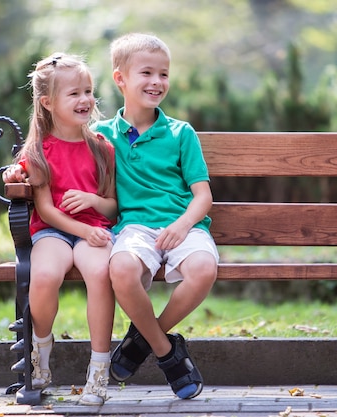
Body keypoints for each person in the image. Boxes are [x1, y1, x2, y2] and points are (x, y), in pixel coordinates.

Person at [92, 32, 219, 400]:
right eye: (146, 73)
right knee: (121, 270)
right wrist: (20, 172)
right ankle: (166, 352)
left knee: (203, 270)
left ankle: (144, 340)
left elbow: (203, 196)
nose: (156, 82)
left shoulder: (181, 133)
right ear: (120, 79)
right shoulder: (100, 136)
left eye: (163, 74)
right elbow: (58, 156)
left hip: (184, 226)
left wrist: (182, 227)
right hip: (134, 228)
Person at [2, 52, 117, 406]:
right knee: (45, 274)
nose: (85, 100)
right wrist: (14, 174)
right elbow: (47, 212)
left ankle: (99, 370)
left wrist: (94, 203)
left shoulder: (101, 148)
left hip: (94, 228)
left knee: (100, 272)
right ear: (48, 102)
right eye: (74, 94)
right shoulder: (38, 151)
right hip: (54, 231)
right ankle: (41, 352)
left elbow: (112, 206)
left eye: (88, 91)